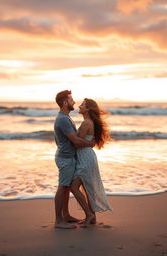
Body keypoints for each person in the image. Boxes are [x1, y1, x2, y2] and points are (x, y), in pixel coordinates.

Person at [54, 90, 95, 229]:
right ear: (65, 102)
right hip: (65, 159)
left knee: (66, 188)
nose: (74, 102)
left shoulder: (65, 117)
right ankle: (59, 221)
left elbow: (60, 139)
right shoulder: (63, 119)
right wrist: (90, 144)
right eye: (71, 100)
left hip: (67, 157)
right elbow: (76, 141)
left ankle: (66, 215)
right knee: (62, 187)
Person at [70, 98, 113, 227]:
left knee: (73, 187)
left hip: (85, 158)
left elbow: (77, 143)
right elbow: (86, 143)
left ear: (87, 109)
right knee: (88, 188)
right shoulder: (89, 122)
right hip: (87, 157)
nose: (79, 106)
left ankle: (88, 214)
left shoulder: (86, 123)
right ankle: (92, 217)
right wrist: (89, 143)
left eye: (82, 105)